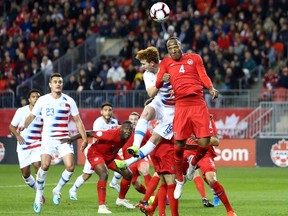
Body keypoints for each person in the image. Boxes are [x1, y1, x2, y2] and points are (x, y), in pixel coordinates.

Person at [155, 37, 219, 199]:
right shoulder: (165, 63)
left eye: (175, 47)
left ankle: (193, 164)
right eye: (170, 48)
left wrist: (210, 88)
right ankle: (180, 180)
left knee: (204, 142)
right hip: (181, 105)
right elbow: (157, 84)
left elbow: (203, 76)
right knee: (178, 146)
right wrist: (161, 80)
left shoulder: (194, 58)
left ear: (180, 46)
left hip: (198, 102)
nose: (173, 50)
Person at [18, 73, 88, 213]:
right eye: (55, 82)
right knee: (44, 166)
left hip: (63, 139)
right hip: (48, 139)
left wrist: (85, 138)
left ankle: (57, 190)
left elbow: (78, 120)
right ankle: (38, 195)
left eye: (60, 82)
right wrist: (24, 125)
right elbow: (32, 115)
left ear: (62, 84)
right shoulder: (43, 100)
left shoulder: (69, 101)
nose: (58, 84)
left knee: (70, 166)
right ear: (50, 84)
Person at [114, 46, 175, 174]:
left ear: (152, 63)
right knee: (146, 111)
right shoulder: (147, 74)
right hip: (160, 102)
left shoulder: (169, 65)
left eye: (143, 64)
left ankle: (127, 163)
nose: (142, 67)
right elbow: (152, 93)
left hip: (173, 110)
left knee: (154, 139)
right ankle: (136, 146)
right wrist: (160, 81)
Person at [65, 121, 134, 214]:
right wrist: (71, 139)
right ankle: (101, 206)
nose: (128, 131)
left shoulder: (128, 136)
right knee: (104, 174)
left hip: (111, 156)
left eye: (130, 130)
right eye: (126, 129)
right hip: (95, 153)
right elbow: (90, 133)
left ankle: (121, 199)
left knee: (128, 174)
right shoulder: (111, 134)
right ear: (121, 129)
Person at [184, 115, 237, 216]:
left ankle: (229, 210)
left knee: (210, 178)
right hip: (187, 151)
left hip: (205, 152)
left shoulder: (207, 118)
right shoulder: (182, 115)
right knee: (170, 176)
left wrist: (199, 139)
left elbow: (216, 141)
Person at [69, 102, 119, 200]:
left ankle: (115, 184)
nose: (108, 112)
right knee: (87, 174)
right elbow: (97, 139)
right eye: (105, 110)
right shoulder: (98, 122)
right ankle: (73, 189)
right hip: (96, 151)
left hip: (108, 152)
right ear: (101, 112)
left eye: (110, 110)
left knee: (122, 166)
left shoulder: (115, 123)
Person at [8, 89, 45, 204]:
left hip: (37, 144)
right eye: (33, 96)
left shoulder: (43, 112)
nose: (36, 98)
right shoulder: (21, 111)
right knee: (25, 174)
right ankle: (37, 191)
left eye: (38, 97)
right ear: (29, 99)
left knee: (38, 165)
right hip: (23, 146)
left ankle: (39, 195)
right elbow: (11, 127)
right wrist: (18, 136)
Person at [111, 112, 153, 208]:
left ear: (139, 121)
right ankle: (149, 195)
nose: (133, 121)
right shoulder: (122, 131)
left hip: (140, 158)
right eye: (131, 119)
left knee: (144, 168)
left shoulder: (145, 131)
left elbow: (153, 142)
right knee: (136, 185)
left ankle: (153, 197)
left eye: (135, 119)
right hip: (129, 161)